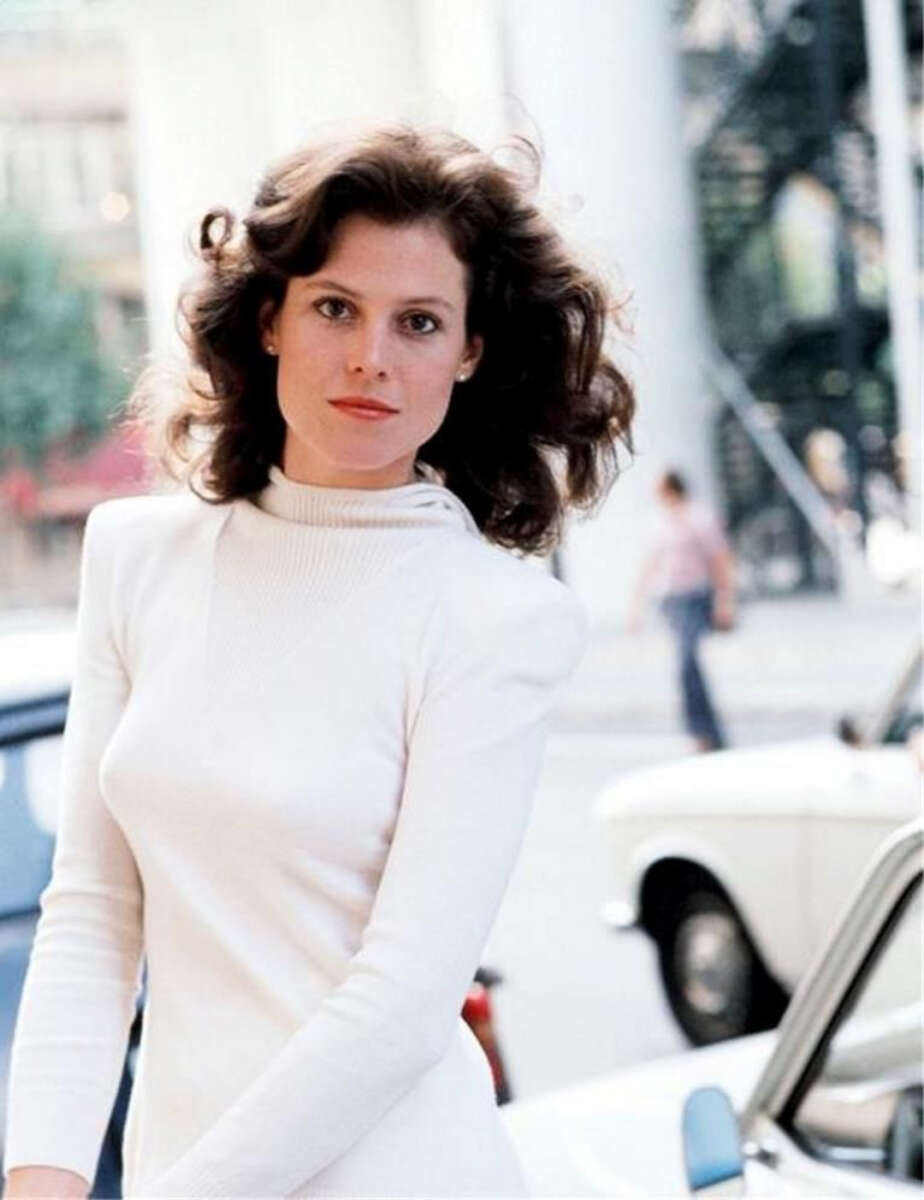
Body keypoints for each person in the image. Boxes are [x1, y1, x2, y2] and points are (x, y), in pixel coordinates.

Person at [2, 124, 635, 1199]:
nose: (371, 358)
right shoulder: (137, 557)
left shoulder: (497, 618)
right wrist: (44, 1174)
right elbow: (95, 914)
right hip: (175, 1163)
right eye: (336, 306)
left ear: (471, 352)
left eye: (420, 322)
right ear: (269, 319)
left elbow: (400, 1003)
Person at [628, 469, 734, 753]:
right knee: (686, 666)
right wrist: (636, 605)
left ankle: (705, 731)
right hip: (670, 601)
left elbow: (720, 559)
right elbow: (650, 564)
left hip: (694, 597)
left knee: (687, 663)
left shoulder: (699, 517)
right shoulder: (660, 522)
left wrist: (725, 600)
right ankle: (703, 732)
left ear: (672, 489)